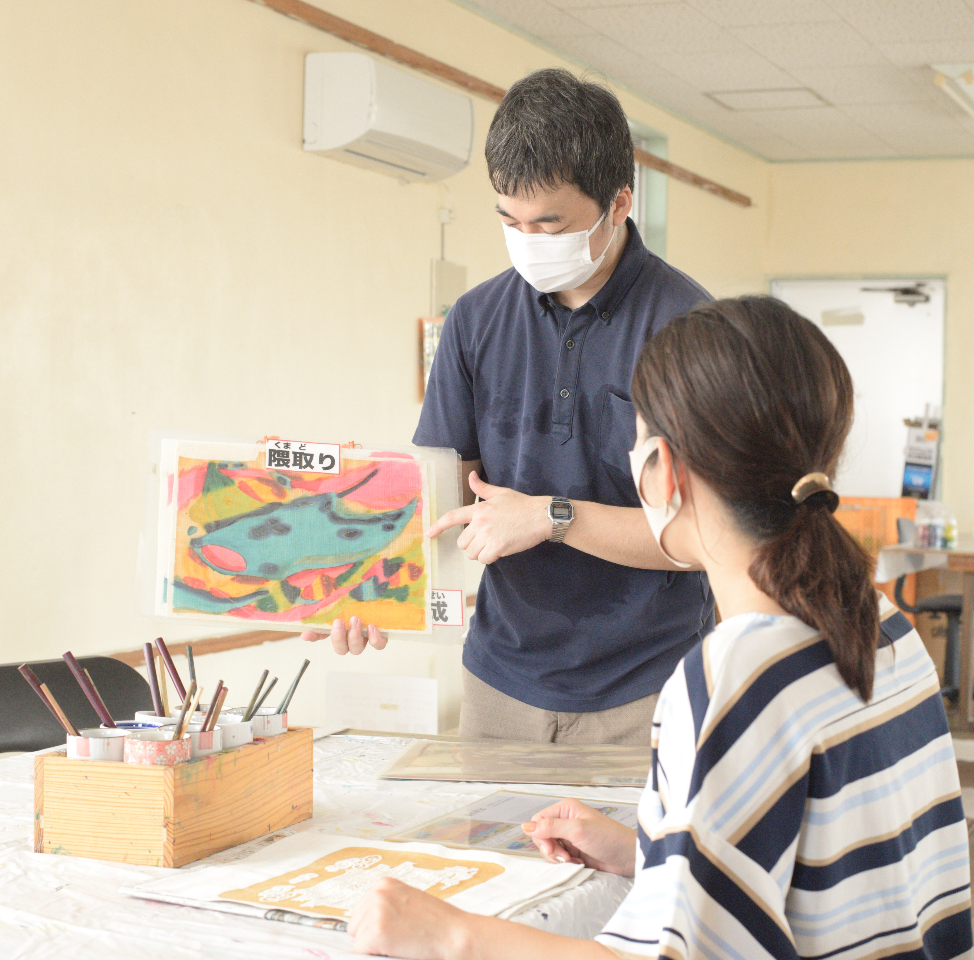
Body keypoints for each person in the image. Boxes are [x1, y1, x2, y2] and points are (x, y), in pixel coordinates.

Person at [348, 296, 973, 960]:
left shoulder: (733, 680)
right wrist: (653, 847)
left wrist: (445, 933)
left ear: (663, 471)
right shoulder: (883, 626)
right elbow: (818, 871)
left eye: (637, 439)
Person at [304, 68, 716, 747]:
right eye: (508, 219)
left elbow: (704, 538)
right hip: (499, 679)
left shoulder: (689, 327)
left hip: (646, 687)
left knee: (624, 858)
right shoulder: (474, 321)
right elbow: (436, 499)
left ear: (619, 204)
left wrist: (552, 518)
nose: (527, 239)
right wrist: (371, 589)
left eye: (549, 223)